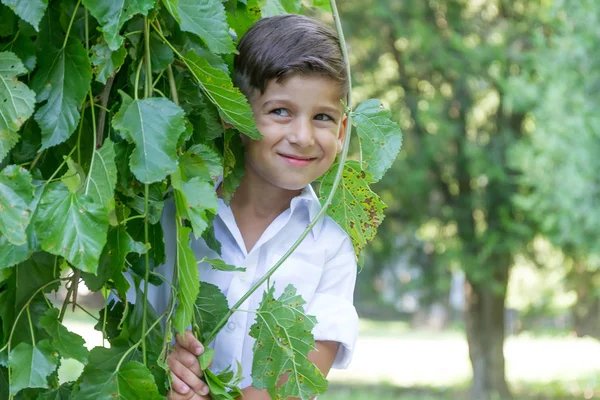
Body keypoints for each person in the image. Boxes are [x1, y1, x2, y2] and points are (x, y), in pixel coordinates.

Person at [151, 14, 358, 400]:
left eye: (323, 117)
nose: (302, 136)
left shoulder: (332, 247)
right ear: (234, 116)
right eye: (281, 111)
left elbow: (296, 384)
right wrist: (172, 370)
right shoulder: (175, 214)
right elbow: (137, 334)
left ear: (342, 132)